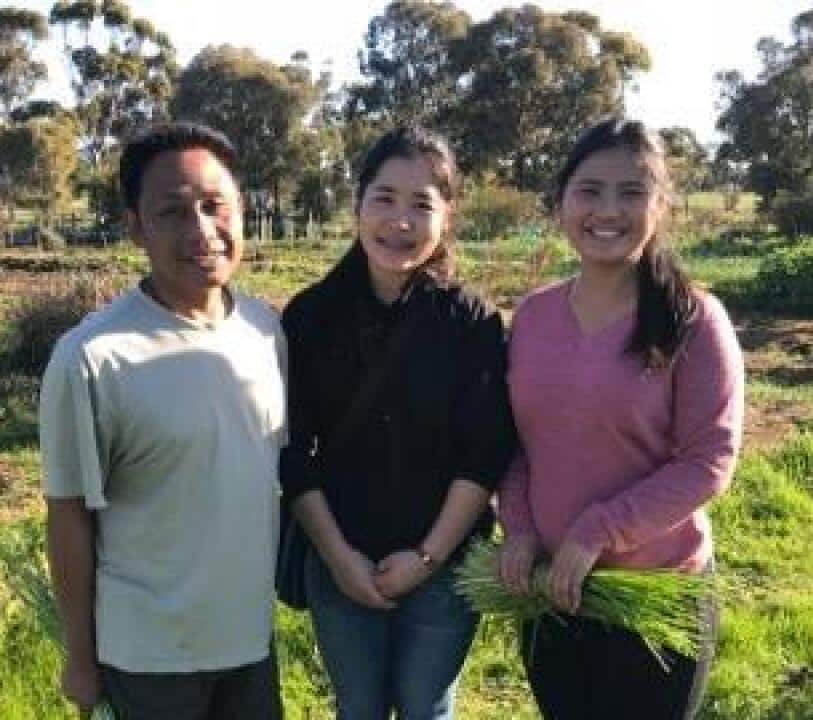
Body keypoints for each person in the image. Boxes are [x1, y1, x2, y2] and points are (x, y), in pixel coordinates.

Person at [496, 118, 745, 719]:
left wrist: (597, 531)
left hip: (657, 591)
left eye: (632, 192)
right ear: (561, 202)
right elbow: (515, 442)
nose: (608, 210)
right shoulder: (533, 317)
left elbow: (709, 460)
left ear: (661, 206)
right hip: (551, 593)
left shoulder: (694, 319)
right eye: (590, 190)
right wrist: (520, 527)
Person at [39, 122, 286, 720]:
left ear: (242, 211)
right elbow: (68, 515)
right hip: (148, 658)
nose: (201, 230)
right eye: (173, 212)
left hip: (250, 643)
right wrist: (80, 658)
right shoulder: (92, 357)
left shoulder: (265, 331)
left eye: (214, 205)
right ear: (136, 227)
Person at [280, 126, 517, 720]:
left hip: (445, 564)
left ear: (447, 216)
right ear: (358, 202)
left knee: (425, 707)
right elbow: (293, 451)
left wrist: (427, 558)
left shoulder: (472, 322)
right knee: (357, 708)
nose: (400, 221)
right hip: (340, 558)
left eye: (422, 204)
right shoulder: (310, 317)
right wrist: (338, 558)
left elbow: (484, 454)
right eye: (384, 198)